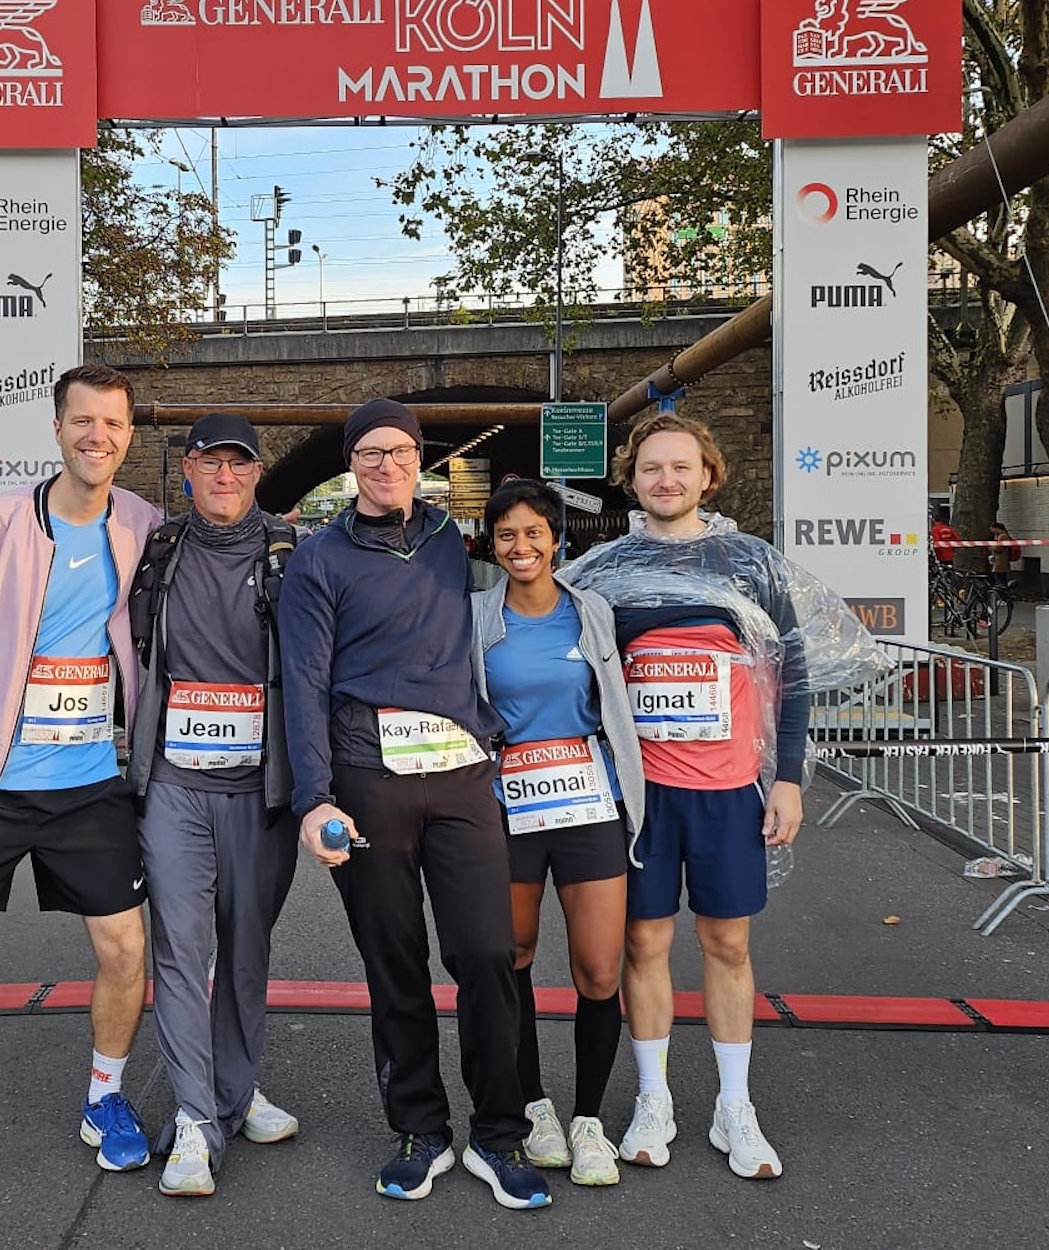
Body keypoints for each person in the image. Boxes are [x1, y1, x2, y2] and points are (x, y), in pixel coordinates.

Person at [0, 365, 165, 1209]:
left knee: (125, 949)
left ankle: (104, 1098)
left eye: (112, 423)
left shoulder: (144, 524)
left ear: (128, 436)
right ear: (56, 429)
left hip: (92, 784)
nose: (97, 436)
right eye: (82, 420)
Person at [279, 398, 552, 1211]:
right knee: (394, 963)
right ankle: (421, 1129)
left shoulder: (449, 540)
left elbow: (535, 571)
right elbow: (304, 683)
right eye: (370, 452)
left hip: (461, 775)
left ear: (418, 459)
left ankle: (499, 1133)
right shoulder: (318, 559)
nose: (386, 464)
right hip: (369, 778)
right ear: (350, 463)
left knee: (487, 953)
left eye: (399, 450)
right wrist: (313, 797)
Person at [557, 412, 811, 1181]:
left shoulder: (749, 565)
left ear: (708, 475)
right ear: (631, 480)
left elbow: (792, 670)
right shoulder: (604, 572)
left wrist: (788, 776)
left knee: (728, 944)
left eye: (680, 466)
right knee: (644, 944)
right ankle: (654, 1096)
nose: (665, 479)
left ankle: (735, 1105)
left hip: (729, 792)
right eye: (651, 468)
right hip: (641, 798)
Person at [124, 412, 303, 1197]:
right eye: (209, 462)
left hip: (262, 790)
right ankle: (196, 1116)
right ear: (188, 470)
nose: (224, 476)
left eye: (239, 463)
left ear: (258, 473)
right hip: (174, 782)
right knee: (179, 947)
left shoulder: (293, 555)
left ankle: (234, 1089)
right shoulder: (158, 548)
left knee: (245, 949)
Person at [469, 479, 646, 1189]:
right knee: (512, 955)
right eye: (507, 535)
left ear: (556, 539)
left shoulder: (593, 611)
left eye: (534, 532)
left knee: (599, 969)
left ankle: (589, 1119)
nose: (522, 547)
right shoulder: (474, 617)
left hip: (588, 804)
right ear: (492, 544)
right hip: (508, 806)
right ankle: (534, 1106)